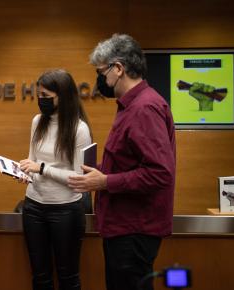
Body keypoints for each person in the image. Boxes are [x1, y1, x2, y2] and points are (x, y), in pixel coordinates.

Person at [68, 34, 176, 290]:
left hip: (134, 230)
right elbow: (133, 163)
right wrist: (102, 173)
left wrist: (105, 181)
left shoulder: (144, 108)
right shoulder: (133, 106)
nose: (100, 80)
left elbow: (160, 173)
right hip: (125, 227)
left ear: (118, 68)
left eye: (101, 72)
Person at [19, 69, 92, 290]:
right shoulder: (37, 121)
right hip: (33, 206)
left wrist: (41, 168)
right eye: (38, 95)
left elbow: (80, 178)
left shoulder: (79, 129)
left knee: (68, 277)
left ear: (63, 96)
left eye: (46, 96)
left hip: (66, 209)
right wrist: (25, 172)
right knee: (40, 277)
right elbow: (32, 160)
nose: (40, 100)